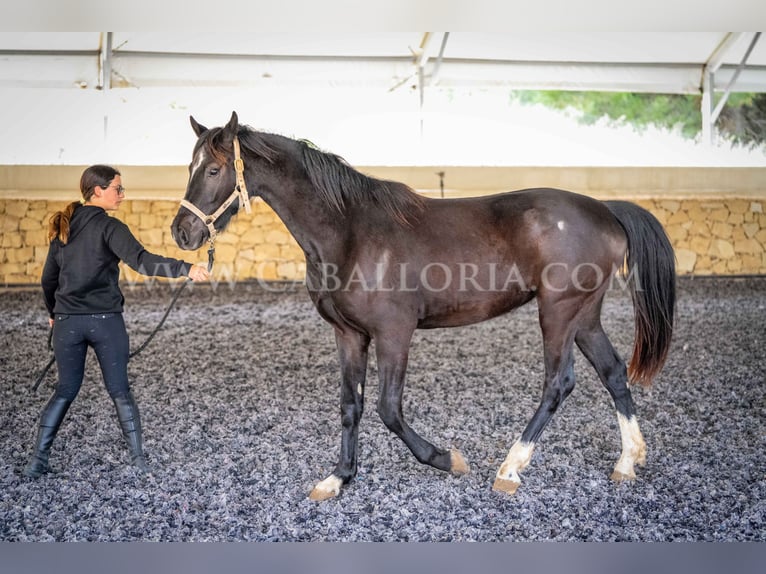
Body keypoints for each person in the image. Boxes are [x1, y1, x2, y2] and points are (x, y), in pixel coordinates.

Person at [23, 164, 209, 478]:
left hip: (67, 323)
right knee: (120, 390)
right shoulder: (111, 227)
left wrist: (54, 315)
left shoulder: (63, 229)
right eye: (117, 189)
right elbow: (142, 261)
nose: (122, 195)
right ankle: (138, 461)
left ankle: (37, 461)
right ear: (98, 191)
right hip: (105, 322)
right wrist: (185, 269)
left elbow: (47, 281)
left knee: (65, 390)